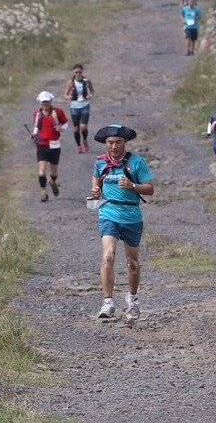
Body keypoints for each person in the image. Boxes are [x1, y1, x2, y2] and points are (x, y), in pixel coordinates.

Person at [88, 124, 154, 320]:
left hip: (131, 215)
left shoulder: (136, 163)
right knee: (108, 255)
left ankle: (132, 299)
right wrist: (95, 191)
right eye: (110, 143)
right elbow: (96, 179)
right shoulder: (100, 162)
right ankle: (107, 303)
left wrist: (132, 185)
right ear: (105, 144)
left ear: (125, 143)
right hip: (108, 212)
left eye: (118, 142)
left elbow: (150, 189)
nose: (114, 146)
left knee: (132, 263)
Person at [31, 91, 68, 202]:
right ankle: (43, 192)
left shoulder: (58, 112)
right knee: (42, 170)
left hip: (55, 144)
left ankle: (52, 181)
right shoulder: (37, 114)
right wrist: (34, 134)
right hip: (41, 144)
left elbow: (65, 124)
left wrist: (61, 128)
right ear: (40, 103)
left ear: (50, 101)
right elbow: (36, 126)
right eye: (43, 102)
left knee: (54, 171)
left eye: (47, 101)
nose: (45, 104)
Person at [63, 64, 96, 154]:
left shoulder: (87, 81)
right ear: (74, 72)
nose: (78, 74)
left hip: (85, 105)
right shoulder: (71, 82)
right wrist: (68, 97)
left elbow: (92, 91)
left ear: (82, 72)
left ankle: (84, 140)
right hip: (74, 106)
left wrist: (90, 95)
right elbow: (65, 95)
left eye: (79, 72)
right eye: (76, 72)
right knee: (76, 128)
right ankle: (78, 145)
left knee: (83, 126)